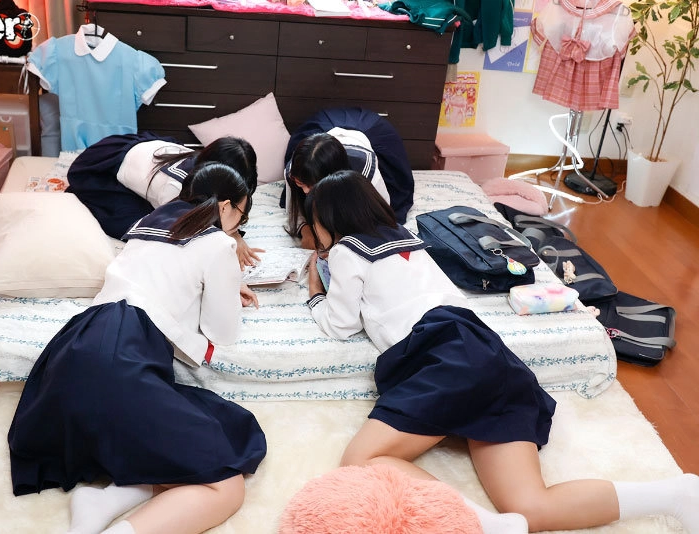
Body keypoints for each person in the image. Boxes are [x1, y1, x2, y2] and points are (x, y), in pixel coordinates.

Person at [302, 170, 699, 534]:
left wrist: (315, 290)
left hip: (440, 357)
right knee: (531, 507)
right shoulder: (409, 239)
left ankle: (487, 525)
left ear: (328, 219)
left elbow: (340, 324)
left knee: (359, 460)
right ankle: (676, 494)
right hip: (486, 351)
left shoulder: (347, 250)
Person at [8, 162, 267, 534]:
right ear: (226, 206)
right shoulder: (218, 243)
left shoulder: (149, 223)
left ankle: (106, 499)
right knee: (226, 480)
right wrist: (226, 285)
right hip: (121, 362)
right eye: (242, 215)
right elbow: (222, 332)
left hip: (71, 353)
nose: (239, 225)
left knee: (221, 426)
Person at [66, 132, 262, 267]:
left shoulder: (206, 174)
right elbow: (186, 237)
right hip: (103, 166)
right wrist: (230, 238)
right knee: (138, 226)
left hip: (146, 151)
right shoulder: (175, 188)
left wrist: (235, 232)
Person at [281, 107, 415, 248]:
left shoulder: (365, 172)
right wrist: (306, 231)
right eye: (301, 183)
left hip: (375, 134)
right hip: (323, 125)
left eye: (312, 186)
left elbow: (380, 219)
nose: (306, 191)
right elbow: (294, 210)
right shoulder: (294, 171)